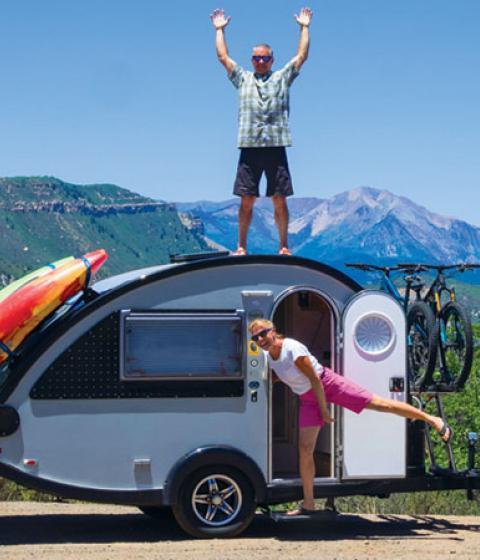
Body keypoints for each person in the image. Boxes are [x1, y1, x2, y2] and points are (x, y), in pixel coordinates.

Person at [249, 319, 453, 516]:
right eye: (255, 337)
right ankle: (309, 504)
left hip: (327, 385)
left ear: (273, 330)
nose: (260, 339)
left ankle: (431, 419)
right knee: (304, 449)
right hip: (307, 398)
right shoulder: (268, 357)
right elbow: (283, 374)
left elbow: (314, 379)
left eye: (263, 333)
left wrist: (325, 410)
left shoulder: (292, 349)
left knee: (381, 404)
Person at [210, 7, 313, 256]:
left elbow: (301, 56)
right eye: (256, 57)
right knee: (246, 199)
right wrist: (220, 30)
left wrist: (304, 27)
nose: (260, 61)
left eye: (264, 58)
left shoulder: (281, 79)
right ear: (252, 59)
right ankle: (241, 246)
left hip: (276, 144)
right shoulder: (242, 79)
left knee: (279, 198)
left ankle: (284, 245)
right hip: (249, 145)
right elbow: (223, 57)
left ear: (272, 60)